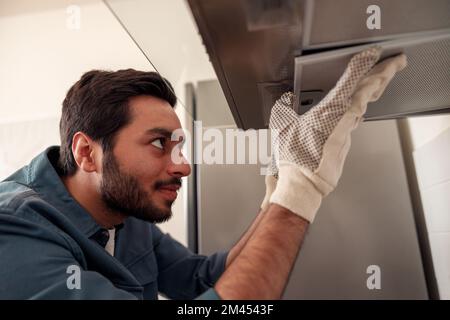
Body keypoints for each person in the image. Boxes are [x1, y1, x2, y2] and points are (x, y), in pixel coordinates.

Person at [0, 47, 407, 299]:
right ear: (87, 152)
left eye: (179, 146)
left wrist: (278, 192)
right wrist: (302, 190)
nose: (183, 166)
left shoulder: (125, 213)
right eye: (159, 143)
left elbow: (198, 280)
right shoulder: (15, 228)